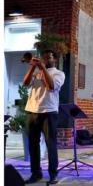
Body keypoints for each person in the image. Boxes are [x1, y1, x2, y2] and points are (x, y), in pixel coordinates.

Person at [23, 50, 65, 184]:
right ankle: (36, 174)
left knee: (50, 144)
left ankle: (53, 175)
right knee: (33, 145)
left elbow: (51, 86)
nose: (45, 59)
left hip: (49, 112)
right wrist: (33, 68)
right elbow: (25, 83)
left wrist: (42, 68)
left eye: (48, 57)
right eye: (44, 57)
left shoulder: (59, 74)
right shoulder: (36, 72)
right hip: (32, 111)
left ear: (55, 60)